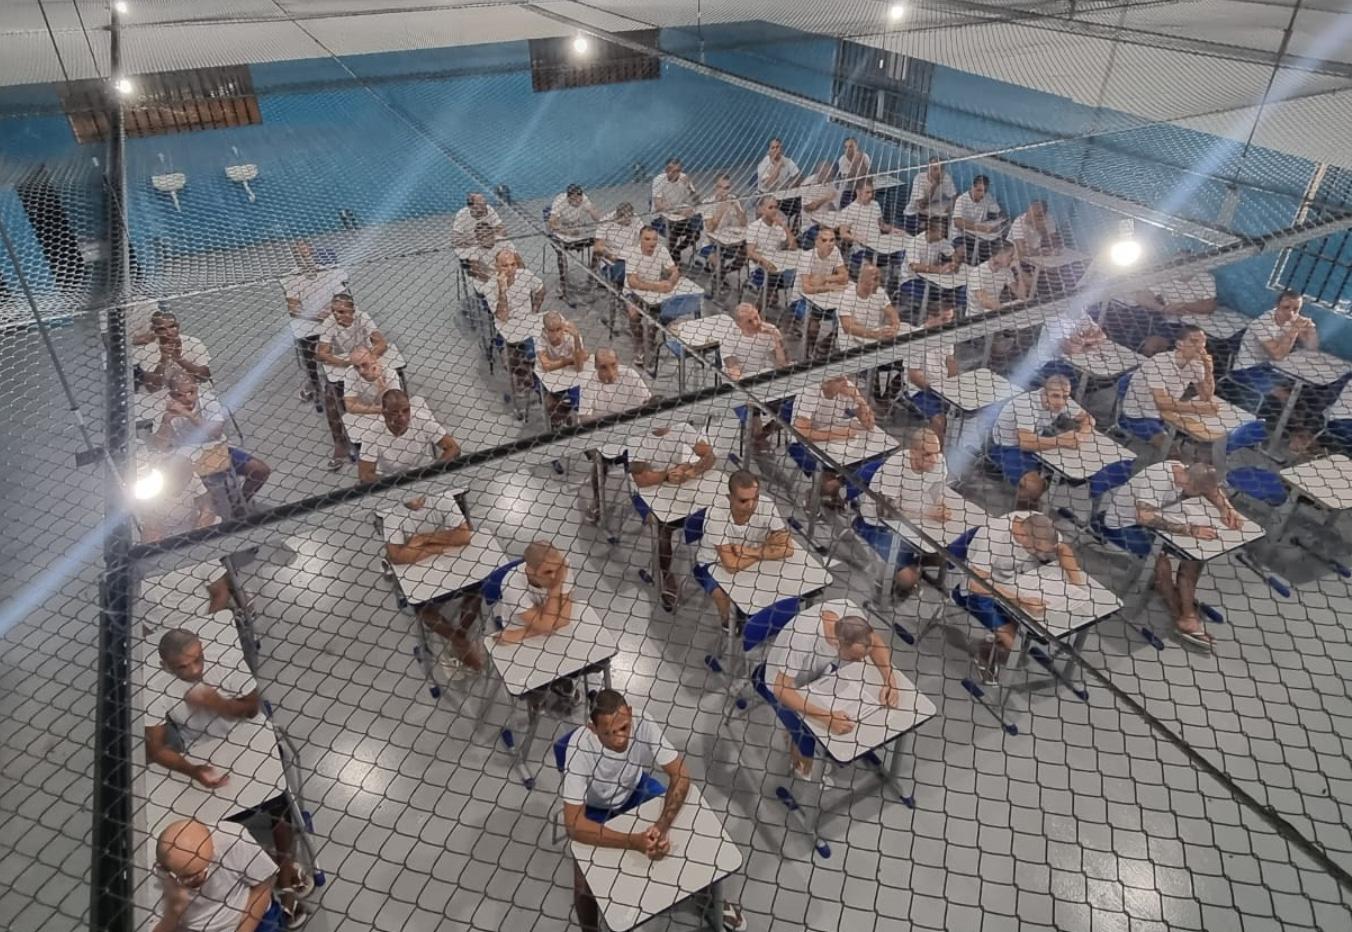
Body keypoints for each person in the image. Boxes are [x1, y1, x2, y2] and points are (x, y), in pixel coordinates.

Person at [561, 689, 747, 932]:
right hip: (597, 808)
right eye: (608, 733)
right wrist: (633, 841)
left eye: (623, 728)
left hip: (637, 789)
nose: (619, 739)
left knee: (692, 832)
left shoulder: (644, 721)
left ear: (630, 713)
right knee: (583, 885)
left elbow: (681, 775)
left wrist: (661, 826)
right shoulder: (578, 748)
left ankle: (711, 899)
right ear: (592, 729)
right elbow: (573, 824)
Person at [1095, 461, 1242, 650]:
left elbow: (1212, 489)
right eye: (1198, 492)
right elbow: (1143, 517)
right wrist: (1189, 529)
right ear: (1190, 485)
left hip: (1155, 520)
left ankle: (1186, 608)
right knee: (1161, 562)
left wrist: (1227, 509)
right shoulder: (1159, 479)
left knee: (1194, 557)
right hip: (1124, 524)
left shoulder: (1187, 472)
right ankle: (1180, 614)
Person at [766, 600, 898, 776]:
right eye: (854, 657)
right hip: (787, 684)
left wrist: (890, 681)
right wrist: (826, 717)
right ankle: (800, 762)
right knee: (810, 739)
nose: (860, 661)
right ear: (837, 644)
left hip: (819, 675)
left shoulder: (850, 612)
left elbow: (876, 642)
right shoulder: (803, 636)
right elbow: (780, 688)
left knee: (857, 719)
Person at [962, 510, 1085, 681]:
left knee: (1044, 621)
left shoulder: (1039, 524)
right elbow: (974, 584)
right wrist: (1019, 599)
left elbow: (1063, 549)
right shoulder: (995, 535)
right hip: (983, 592)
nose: (1039, 554)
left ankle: (1006, 634)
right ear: (1023, 536)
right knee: (1015, 647)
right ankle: (984, 653)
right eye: (1036, 549)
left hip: (1018, 583)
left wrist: (1077, 586)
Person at [383, 491, 483, 671]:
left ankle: (460, 635)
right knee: (423, 608)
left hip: (447, 560)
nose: (415, 501)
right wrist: (438, 547)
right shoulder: (391, 510)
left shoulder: (442, 495)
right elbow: (396, 556)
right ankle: (459, 640)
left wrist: (422, 540)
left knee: (476, 589)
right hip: (418, 571)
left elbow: (464, 536)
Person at [856, 428, 953, 600]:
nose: (934, 459)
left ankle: (911, 561)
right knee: (909, 578)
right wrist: (926, 513)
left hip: (912, 520)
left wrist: (940, 505)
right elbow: (884, 513)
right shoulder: (895, 467)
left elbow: (936, 488)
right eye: (927, 454)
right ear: (913, 452)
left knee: (949, 555)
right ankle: (888, 586)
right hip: (876, 524)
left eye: (937, 453)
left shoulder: (938, 462)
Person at [153, 818, 298, 932]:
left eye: (206, 867)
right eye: (188, 876)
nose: (201, 877)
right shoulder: (147, 874)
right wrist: (174, 911)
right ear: (163, 868)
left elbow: (262, 887)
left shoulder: (232, 839)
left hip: (249, 915)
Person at [629, 421, 717, 610]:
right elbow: (641, 480)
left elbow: (710, 455)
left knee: (714, 509)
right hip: (646, 494)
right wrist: (669, 474)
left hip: (678, 486)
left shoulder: (682, 427)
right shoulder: (637, 436)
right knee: (662, 528)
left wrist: (690, 472)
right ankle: (665, 575)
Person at [694, 470, 793, 630]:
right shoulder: (716, 515)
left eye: (755, 498)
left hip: (749, 556)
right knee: (721, 596)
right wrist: (765, 549)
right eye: (743, 500)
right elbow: (731, 566)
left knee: (781, 584)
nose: (751, 505)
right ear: (730, 497)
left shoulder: (766, 505)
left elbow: (788, 549)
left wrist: (753, 552)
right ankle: (728, 624)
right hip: (713, 563)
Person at [154, 374, 272, 505]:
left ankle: (241, 503)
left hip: (216, 449)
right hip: (185, 457)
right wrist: (166, 421)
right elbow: (160, 446)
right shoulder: (163, 408)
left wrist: (189, 415)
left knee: (260, 470)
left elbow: (216, 433)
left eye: (191, 392)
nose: (187, 398)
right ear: (172, 394)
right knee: (201, 491)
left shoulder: (208, 400)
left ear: (196, 388)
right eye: (180, 395)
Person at [316, 293, 399, 470]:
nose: (336, 315)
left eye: (341, 311)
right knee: (330, 396)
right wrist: (345, 362)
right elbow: (322, 353)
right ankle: (340, 443)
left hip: (366, 360)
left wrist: (367, 358)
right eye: (334, 311)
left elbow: (381, 342)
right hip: (346, 362)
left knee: (387, 384)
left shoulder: (363, 317)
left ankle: (393, 429)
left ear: (352, 311)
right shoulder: (329, 323)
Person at [137, 456, 232, 612]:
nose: (184, 484)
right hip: (164, 533)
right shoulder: (149, 487)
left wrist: (201, 524)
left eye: (186, 480)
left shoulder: (192, 478)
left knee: (214, 544)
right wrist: (159, 537)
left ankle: (227, 584)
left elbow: (207, 505)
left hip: (191, 527)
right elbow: (150, 523)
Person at [988, 375, 1094, 509]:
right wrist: (1061, 441)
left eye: (1065, 397)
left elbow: (1089, 419)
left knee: (1079, 463)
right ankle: (1024, 513)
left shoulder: (1063, 401)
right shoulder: (1027, 405)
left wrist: (1080, 436)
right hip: (1007, 446)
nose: (1060, 402)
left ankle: (1044, 486)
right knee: (1033, 486)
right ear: (1044, 393)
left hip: (1036, 438)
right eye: (1055, 396)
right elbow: (1025, 443)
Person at [579, 349, 654, 524]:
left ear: (618, 362)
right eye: (604, 367)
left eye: (613, 365)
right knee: (600, 463)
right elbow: (584, 418)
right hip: (605, 436)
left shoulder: (630, 375)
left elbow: (647, 401)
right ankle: (597, 501)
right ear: (596, 367)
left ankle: (646, 500)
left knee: (647, 458)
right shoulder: (589, 384)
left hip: (634, 432)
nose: (610, 372)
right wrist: (609, 422)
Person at [1119, 324, 1217, 446]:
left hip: (1164, 415)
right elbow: (1162, 402)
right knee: (1171, 449)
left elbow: (1206, 396)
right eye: (1194, 341)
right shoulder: (1160, 363)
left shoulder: (1196, 364)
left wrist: (1208, 371)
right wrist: (1198, 408)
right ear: (1179, 344)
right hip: (1138, 416)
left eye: (1203, 342)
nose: (1200, 347)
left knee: (1201, 441)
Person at [791, 374, 878, 503]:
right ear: (825, 383)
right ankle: (814, 497)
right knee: (830, 485)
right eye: (839, 380)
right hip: (801, 445)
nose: (845, 382)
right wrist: (840, 434)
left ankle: (835, 492)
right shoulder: (809, 392)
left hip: (835, 443)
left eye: (845, 377)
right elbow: (802, 432)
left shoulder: (847, 388)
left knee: (866, 466)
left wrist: (860, 400)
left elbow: (869, 424)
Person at [1229, 289, 1318, 413]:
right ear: (1277, 306)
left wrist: (1311, 329)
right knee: (1286, 396)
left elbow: (1311, 347)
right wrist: (1294, 330)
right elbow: (1278, 355)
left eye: (1296, 309)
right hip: (1247, 368)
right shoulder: (1261, 324)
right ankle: (1282, 421)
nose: (1290, 313)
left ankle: (1288, 419)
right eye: (1286, 307)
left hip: (1272, 367)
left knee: (1304, 392)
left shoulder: (1294, 319)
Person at [282, 240, 348, 404]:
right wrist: (316, 315)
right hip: (309, 321)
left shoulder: (328, 272)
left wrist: (333, 311)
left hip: (333, 316)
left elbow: (343, 298)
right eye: (297, 251)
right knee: (307, 341)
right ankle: (314, 382)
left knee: (348, 327)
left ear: (311, 249)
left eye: (304, 248)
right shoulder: (291, 278)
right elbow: (293, 309)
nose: (302, 254)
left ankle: (349, 376)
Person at [721, 304, 790, 453]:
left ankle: (764, 433)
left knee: (793, 405)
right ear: (739, 324)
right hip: (740, 384)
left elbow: (783, 364)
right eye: (749, 321)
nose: (756, 323)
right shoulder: (729, 338)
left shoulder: (769, 330)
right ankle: (756, 438)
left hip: (766, 378)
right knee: (752, 411)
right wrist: (749, 392)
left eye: (756, 317)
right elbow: (734, 373)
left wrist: (776, 338)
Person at [1101, 267, 1218, 355]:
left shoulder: (1205, 277)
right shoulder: (1167, 277)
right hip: (1171, 323)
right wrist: (1162, 308)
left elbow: (1210, 306)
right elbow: (1141, 297)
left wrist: (1184, 306)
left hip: (1197, 324)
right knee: (1151, 345)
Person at [357, 389, 460, 481]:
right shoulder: (371, 435)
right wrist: (396, 484)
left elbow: (453, 448)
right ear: (384, 413)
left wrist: (433, 470)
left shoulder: (421, 419)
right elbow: (365, 475)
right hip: (393, 479)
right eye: (395, 412)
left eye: (406, 411)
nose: (402, 417)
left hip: (425, 471)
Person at [492, 247, 547, 399]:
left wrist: (534, 311)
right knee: (513, 354)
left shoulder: (525, 275)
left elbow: (541, 289)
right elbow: (502, 317)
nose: (510, 269)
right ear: (497, 267)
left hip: (527, 320)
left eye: (513, 264)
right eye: (505, 266)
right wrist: (502, 291)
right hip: (506, 326)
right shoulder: (491, 285)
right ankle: (522, 381)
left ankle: (543, 381)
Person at [622, 227, 680, 367]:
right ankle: (639, 345)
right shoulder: (632, 253)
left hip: (654, 293)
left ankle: (650, 340)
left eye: (654, 239)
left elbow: (675, 271)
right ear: (640, 240)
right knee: (633, 314)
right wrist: (657, 287)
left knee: (658, 318)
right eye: (647, 239)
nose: (652, 243)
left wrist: (670, 283)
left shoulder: (661, 250)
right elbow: (632, 282)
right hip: (633, 292)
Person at [793, 225, 849, 357]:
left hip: (825, 297)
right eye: (824, 240)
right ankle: (808, 353)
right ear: (817, 242)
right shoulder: (807, 257)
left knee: (845, 317)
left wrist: (824, 279)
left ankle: (825, 344)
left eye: (832, 240)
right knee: (813, 327)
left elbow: (845, 276)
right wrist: (829, 286)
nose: (829, 244)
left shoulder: (835, 251)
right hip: (802, 299)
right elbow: (807, 288)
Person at [905, 303, 958, 439]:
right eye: (944, 319)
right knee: (940, 421)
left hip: (944, 387)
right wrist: (936, 391)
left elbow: (950, 361)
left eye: (950, 319)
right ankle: (937, 449)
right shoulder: (916, 339)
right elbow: (914, 376)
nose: (948, 323)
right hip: (921, 390)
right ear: (930, 317)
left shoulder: (947, 335)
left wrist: (954, 383)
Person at [549, 184, 603, 298]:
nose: (578, 202)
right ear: (569, 198)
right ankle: (563, 284)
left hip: (577, 230)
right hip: (560, 231)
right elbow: (552, 224)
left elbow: (593, 211)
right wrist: (567, 232)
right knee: (561, 251)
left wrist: (601, 221)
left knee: (599, 243)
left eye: (580, 199)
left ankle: (592, 277)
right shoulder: (560, 201)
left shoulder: (583, 198)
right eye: (575, 200)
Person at [897, 215, 959, 314]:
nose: (944, 235)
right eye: (941, 232)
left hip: (930, 277)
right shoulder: (915, 243)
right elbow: (915, 267)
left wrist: (954, 263)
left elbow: (953, 254)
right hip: (911, 279)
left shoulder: (940, 241)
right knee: (935, 294)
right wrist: (939, 269)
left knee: (951, 290)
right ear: (930, 230)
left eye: (944, 232)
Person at [536, 311, 588, 427]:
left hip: (571, 377)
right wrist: (568, 360)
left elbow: (579, 367)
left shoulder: (571, 336)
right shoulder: (541, 339)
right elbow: (546, 366)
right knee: (550, 404)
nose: (556, 334)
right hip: (551, 380)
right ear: (545, 330)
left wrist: (576, 339)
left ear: (563, 327)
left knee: (580, 401)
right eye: (551, 330)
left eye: (558, 329)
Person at [137, 312, 212, 392]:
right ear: (155, 331)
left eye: (172, 326)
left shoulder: (194, 342)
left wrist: (178, 359)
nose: (169, 332)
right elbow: (152, 388)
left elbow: (204, 377)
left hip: (196, 387)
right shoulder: (148, 349)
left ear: (178, 326)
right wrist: (163, 359)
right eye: (162, 329)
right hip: (164, 391)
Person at [745, 196, 798, 305]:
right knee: (771, 299)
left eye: (776, 207)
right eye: (770, 207)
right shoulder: (754, 227)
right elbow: (750, 253)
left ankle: (796, 307)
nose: (774, 210)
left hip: (778, 265)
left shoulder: (778, 227)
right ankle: (759, 307)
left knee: (798, 277)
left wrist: (785, 227)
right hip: (759, 268)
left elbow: (793, 247)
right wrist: (765, 262)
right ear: (762, 209)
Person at [837, 260, 902, 348]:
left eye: (879, 279)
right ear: (862, 280)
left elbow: (892, 312)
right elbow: (847, 327)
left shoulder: (880, 292)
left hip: (872, 339)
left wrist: (895, 327)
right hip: (851, 344)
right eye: (875, 279)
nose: (878, 283)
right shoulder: (846, 296)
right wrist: (876, 334)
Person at [650, 158, 702, 263]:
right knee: (673, 233)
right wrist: (679, 211)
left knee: (696, 233)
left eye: (677, 171)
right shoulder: (659, 180)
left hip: (681, 217)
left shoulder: (683, 178)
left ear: (680, 170)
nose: (673, 173)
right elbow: (658, 205)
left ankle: (676, 251)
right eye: (669, 170)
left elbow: (697, 201)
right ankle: (673, 260)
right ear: (665, 170)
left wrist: (689, 187)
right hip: (660, 217)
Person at [699, 175, 749, 284]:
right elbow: (710, 228)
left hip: (729, 241)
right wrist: (721, 209)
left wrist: (737, 208)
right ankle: (718, 278)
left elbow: (744, 223)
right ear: (715, 187)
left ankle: (722, 274)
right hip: (710, 243)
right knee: (718, 263)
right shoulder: (707, 203)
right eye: (720, 187)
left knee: (744, 255)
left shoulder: (733, 199)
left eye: (727, 188)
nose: (724, 191)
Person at [966, 242, 1030, 315]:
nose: (1013, 258)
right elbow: (985, 302)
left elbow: (1021, 296)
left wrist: (1019, 270)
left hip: (995, 311)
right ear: (1000, 255)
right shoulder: (977, 273)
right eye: (1010, 255)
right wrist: (1006, 310)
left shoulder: (1006, 270)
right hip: (976, 316)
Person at [951, 175, 1003, 264]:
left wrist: (999, 222)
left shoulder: (987, 197)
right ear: (972, 187)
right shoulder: (962, 200)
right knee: (961, 252)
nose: (982, 194)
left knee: (997, 250)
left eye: (985, 191)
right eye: (979, 190)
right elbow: (957, 222)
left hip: (979, 236)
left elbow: (998, 212)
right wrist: (981, 228)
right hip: (960, 235)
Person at [901, 157, 957, 234]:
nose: (939, 172)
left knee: (948, 227)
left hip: (933, 213)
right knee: (928, 228)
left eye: (941, 169)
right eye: (935, 169)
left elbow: (954, 196)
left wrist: (951, 205)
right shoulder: (919, 179)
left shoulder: (946, 178)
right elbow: (922, 205)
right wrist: (934, 187)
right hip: (914, 214)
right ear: (929, 169)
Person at [836, 178, 892, 253]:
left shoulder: (875, 204)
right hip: (861, 248)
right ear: (858, 192)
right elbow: (843, 234)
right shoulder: (848, 210)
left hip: (878, 244)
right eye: (867, 192)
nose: (870, 195)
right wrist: (857, 239)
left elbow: (882, 226)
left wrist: (893, 229)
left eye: (872, 192)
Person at [799, 161, 840, 236]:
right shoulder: (808, 183)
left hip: (827, 222)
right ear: (820, 173)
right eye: (827, 175)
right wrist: (826, 198)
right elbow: (808, 208)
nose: (829, 178)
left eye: (830, 175)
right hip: (811, 224)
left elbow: (834, 208)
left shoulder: (831, 185)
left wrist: (832, 204)